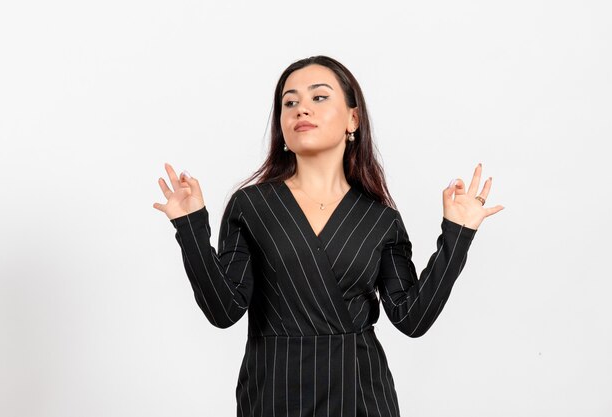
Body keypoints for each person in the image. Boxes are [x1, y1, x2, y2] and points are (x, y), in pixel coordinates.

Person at [153, 55, 503, 417]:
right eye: (290, 102)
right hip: (273, 395)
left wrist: (458, 233)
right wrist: (190, 225)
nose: (302, 109)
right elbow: (223, 310)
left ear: (353, 118)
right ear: (282, 125)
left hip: (361, 397)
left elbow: (412, 318)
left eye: (318, 98)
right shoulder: (252, 206)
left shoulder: (380, 218)